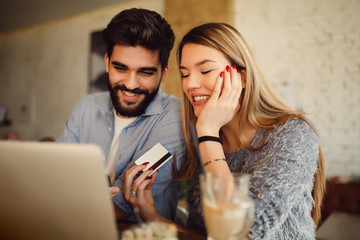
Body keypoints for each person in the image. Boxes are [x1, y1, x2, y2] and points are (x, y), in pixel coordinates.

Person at [122, 22, 326, 240]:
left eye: (205, 70)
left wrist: (208, 132)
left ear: (243, 77)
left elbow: (239, 233)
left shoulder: (293, 134)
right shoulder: (205, 141)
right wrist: (151, 216)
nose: (190, 84)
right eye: (184, 74)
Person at [57, 8, 186, 222]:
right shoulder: (86, 107)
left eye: (145, 72)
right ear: (107, 63)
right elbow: (54, 174)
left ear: (163, 73)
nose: (130, 84)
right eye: (121, 68)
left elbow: (123, 203)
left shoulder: (176, 116)